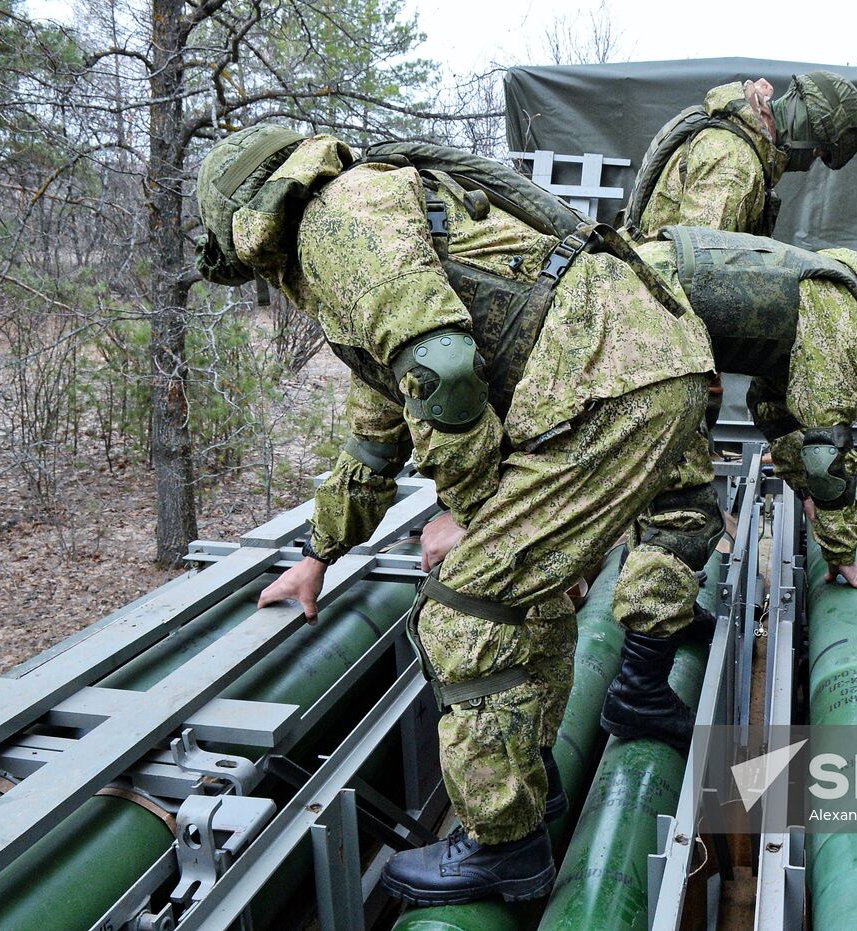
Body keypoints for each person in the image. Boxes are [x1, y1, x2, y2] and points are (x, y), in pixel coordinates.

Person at [194, 125, 714, 906]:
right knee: (522, 594)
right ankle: (531, 792)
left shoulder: (342, 222)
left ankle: (504, 844)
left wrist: (472, 512)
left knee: (465, 609)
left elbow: (441, 369)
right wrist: (320, 552)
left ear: (252, 223)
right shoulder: (360, 225)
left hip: (606, 389)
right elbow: (378, 433)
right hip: (634, 372)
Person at [592, 228, 857, 744]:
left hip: (622, 308)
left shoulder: (813, 282)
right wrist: (842, 552)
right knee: (686, 514)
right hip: (638, 330)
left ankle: (664, 623)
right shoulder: (840, 309)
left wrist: (810, 487)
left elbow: (775, 409)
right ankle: (638, 692)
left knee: (662, 492)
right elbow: (824, 443)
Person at [622, 71, 857, 238]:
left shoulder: (739, 139)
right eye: (818, 153)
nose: (811, 161)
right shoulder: (735, 162)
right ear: (810, 135)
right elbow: (697, 271)